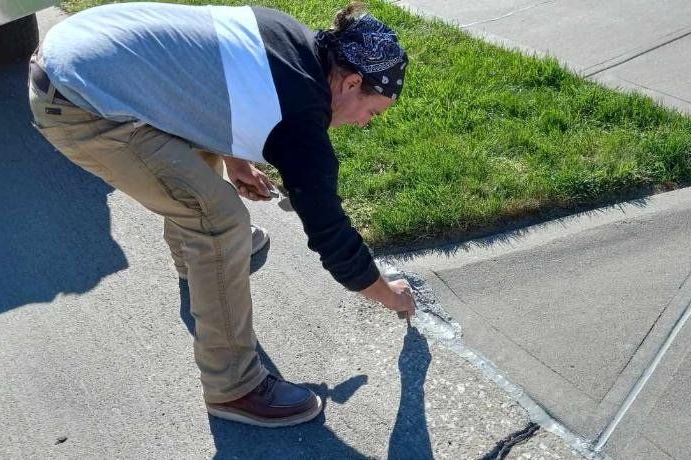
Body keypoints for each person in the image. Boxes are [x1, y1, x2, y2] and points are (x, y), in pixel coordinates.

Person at [28, 1, 416, 428]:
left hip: (75, 54)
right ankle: (234, 387)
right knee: (219, 221)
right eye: (372, 112)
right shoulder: (301, 118)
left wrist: (236, 160)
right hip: (81, 103)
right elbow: (330, 235)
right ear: (352, 82)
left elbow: (209, 89)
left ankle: (198, 264)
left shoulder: (289, 40)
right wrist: (387, 293)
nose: (363, 124)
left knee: (199, 161)